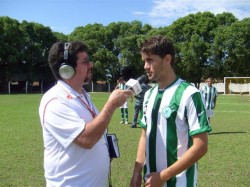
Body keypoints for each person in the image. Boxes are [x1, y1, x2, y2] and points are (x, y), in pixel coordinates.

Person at [38, 41, 132, 187]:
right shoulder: (54, 101)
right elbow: (86, 139)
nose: (91, 65)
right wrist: (111, 104)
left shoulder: (83, 95)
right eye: (85, 62)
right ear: (66, 70)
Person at [130, 36, 211, 187]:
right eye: (144, 61)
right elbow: (144, 136)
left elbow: (201, 146)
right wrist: (136, 173)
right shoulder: (149, 95)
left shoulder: (190, 94)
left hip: (179, 183)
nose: (145, 66)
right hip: (149, 181)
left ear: (167, 59)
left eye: (150, 60)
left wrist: (162, 176)